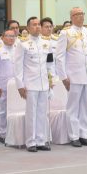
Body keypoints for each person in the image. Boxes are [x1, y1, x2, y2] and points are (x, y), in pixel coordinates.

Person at [54, 7, 87, 147]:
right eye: (77, 14)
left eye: (82, 14)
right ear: (72, 17)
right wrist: (63, 76)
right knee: (73, 107)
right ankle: (74, 136)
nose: (81, 16)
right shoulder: (66, 33)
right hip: (73, 75)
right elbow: (59, 56)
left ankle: (83, 134)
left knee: (85, 106)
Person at [14, 16, 53, 152]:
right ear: (28, 28)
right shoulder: (23, 44)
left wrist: (51, 80)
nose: (37, 27)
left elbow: (50, 63)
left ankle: (41, 140)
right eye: (34, 25)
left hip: (43, 83)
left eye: (38, 24)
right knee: (31, 113)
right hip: (30, 83)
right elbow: (18, 66)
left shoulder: (47, 43)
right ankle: (31, 142)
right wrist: (20, 85)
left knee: (42, 113)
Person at [0, 29, 20, 140]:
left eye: (13, 36)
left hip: (16, 85)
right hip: (3, 85)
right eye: (8, 36)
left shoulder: (18, 50)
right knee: (3, 110)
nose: (11, 38)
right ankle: (3, 133)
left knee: (15, 109)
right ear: (2, 38)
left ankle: (14, 132)